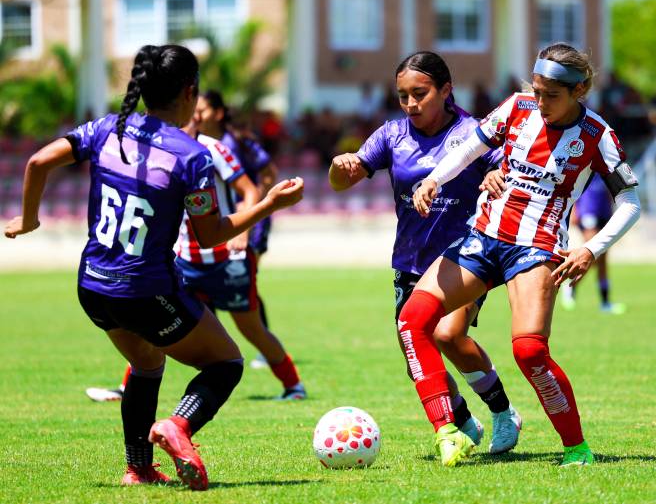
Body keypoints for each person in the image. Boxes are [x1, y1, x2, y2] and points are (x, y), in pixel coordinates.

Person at [4, 44, 304, 490]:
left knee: (147, 363)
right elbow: (211, 233)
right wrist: (268, 204)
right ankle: (178, 426)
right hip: (146, 291)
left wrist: (28, 219)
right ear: (189, 93)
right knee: (226, 363)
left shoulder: (107, 128)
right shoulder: (190, 156)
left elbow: (38, 161)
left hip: (93, 286)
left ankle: (138, 469)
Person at [403, 43, 641, 467]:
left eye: (552, 95)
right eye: (537, 90)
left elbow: (631, 202)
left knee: (529, 350)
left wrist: (590, 248)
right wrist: (433, 180)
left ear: (579, 90)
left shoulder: (598, 136)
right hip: (483, 236)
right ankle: (447, 430)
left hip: (536, 248)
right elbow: (471, 148)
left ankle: (577, 449)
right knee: (414, 321)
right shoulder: (517, 107)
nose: (541, 102)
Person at [328, 51, 522, 455]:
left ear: (445, 90)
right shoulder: (391, 135)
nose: (411, 104)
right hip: (410, 261)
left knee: (447, 334)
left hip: (463, 257)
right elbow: (342, 183)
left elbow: (504, 169)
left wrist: (492, 174)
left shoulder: (472, 132)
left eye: (420, 93)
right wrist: (339, 165)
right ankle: (464, 422)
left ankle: (503, 412)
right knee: (417, 352)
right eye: (403, 96)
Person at [190, 91, 306, 397]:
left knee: (251, 328)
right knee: (161, 322)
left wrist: (244, 229)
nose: (195, 116)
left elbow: (251, 188)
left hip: (226, 254)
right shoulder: (165, 150)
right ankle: (127, 387)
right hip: (184, 259)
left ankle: (293, 385)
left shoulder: (216, 148)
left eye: (199, 110)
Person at [560, 176, 626, 314]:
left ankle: (605, 303)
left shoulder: (608, 163)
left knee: (602, 259)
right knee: (594, 253)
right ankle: (571, 285)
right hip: (588, 210)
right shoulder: (588, 160)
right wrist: (574, 209)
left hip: (605, 211)